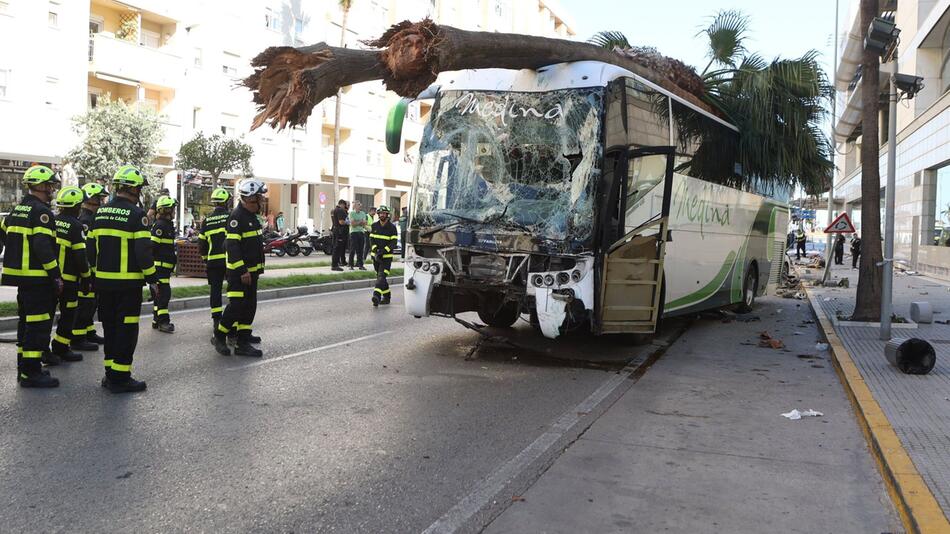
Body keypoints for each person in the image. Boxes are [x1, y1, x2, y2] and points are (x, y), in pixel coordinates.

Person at [89, 165, 159, 393]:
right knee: (126, 331)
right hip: (128, 285)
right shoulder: (138, 215)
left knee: (109, 328)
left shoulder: (99, 213)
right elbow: (143, 252)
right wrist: (153, 279)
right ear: (134, 189)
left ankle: (110, 374)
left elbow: (90, 250)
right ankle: (120, 378)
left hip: (103, 284)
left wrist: (92, 276)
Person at [0, 165, 63, 387]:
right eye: (49, 185)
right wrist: (56, 275)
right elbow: (43, 247)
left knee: (25, 323)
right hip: (37, 279)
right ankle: (31, 372)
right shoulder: (42, 213)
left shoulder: (15, 212)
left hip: (19, 280)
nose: (52, 189)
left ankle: (23, 367)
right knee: (38, 326)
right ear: (39, 186)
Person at [212, 179, 267, 357]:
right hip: (239, 273)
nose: (261, 201)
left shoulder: (251, 216)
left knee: (249, 306)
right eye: (259, 198)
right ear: (250, 199)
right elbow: (232, 246)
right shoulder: (237, 217)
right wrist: (242, 270)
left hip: (252, 272)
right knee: (236, 306)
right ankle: (219, 335)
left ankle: (243, 339)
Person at [49, 186, 92, 364]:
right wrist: (87, 277)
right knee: (68, 315)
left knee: (47, 316)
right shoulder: (76, 226)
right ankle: (61, 347)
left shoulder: (53, 221)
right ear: (75, 206)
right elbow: (80, 257)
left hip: (51, 279)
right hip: (69, 281)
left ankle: (44, 350)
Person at [72, 182, 109, 351]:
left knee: (91, 303)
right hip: (86, 270)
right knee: (86, 303)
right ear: (90, 200)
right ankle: (78, 338)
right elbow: (86, 250)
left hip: (91, 269)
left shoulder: (90, 218)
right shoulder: (86, 220)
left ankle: (88, 331)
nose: (100, 203)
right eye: (98, 199)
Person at [198, 187, 231, 332]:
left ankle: (216, 320)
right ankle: (232, 322)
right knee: (233, 291)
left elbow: (201, 244)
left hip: (213, 262)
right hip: (229, 261)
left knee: (215, 291)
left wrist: (206, 259)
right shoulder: (230, 218)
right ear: (225, 202)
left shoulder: (207, 221)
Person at [151, 196, 178, 333]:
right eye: (173, 208)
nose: (174, 211)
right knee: (163, 294)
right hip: (160, 268)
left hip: (164, 268)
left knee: (158, 295)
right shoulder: (161, 225)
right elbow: (153, 246)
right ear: (167, 210)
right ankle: (163, 322)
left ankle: (156, 319)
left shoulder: (166, 225)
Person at [369, 205, 398, 307]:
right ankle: (387, 297)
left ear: (387, 215)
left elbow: (393, 242)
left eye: (384, 213)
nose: (382, 215)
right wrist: (376, 250)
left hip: (386, 258)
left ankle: (376, 296)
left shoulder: (392, 228)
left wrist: (384, 251)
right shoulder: (374, 226)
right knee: (381, 277)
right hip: (375, 257)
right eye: (380, 213)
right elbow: (371, 240)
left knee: (381, 276)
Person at [348, 201, 368, 270]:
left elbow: (365, 223)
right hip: (354, 233)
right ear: (355, 206)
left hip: (361, 232)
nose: (360, 206)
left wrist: (358, 222)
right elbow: (353, 224)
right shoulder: (352, 213)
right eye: (359, 205)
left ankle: (360, 265)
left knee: (360, 250)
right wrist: (360, 222)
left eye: (360, 205)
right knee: (353, 249)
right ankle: (350, 264)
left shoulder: (363, 213)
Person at [331, 199, 349, 271]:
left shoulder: (334, 210)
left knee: (336, 248)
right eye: (345, 206)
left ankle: (335, 264)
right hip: (340, 232)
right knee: (337, 248)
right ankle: (335, 265)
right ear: (342, 204)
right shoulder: (340, 210)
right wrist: (348, 222)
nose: (345, 208)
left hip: (336, 230)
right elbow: (341, 222)